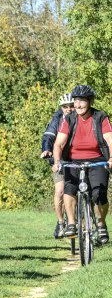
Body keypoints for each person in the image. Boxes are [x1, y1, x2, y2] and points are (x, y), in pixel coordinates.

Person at [53, 85, 112, 244]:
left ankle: (100, 224)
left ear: (90, 102)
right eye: (76, 101)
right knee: (69, 188)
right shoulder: (69, 119)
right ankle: (71, 223)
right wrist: (58, 162)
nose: (78, 105)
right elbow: (59, 144)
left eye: (82, 101)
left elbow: (109, 139)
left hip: (97, 160)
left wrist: (111, 158)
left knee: (99, 194)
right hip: (72, 160)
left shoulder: (100, 117)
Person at [40, 93, 75, 239]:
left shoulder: (80, 118)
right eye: (65, 107)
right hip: (59, 160)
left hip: (76, 160)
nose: (68, 109)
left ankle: (85, 225)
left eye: (71, 106)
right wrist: (46, 149)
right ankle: (60, 222)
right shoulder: (57, 119)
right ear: (61, 108)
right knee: (60, 191)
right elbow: (48, 135)